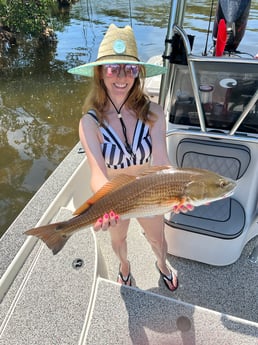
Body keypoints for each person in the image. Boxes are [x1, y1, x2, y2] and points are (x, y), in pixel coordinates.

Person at [68, 24, 193, 291]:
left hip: (151, 194)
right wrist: (103, 205)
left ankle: (162, 264)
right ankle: (124, 267)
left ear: (138, 73)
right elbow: (98, 173)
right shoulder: (90, 123)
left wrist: (177, 192)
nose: (122, 76)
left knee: (158, 239)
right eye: (113, 68)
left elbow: (161, 162)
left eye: (130, 68)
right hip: (115, 198)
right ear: (100, 73)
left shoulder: (155, 112)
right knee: (118, 241)